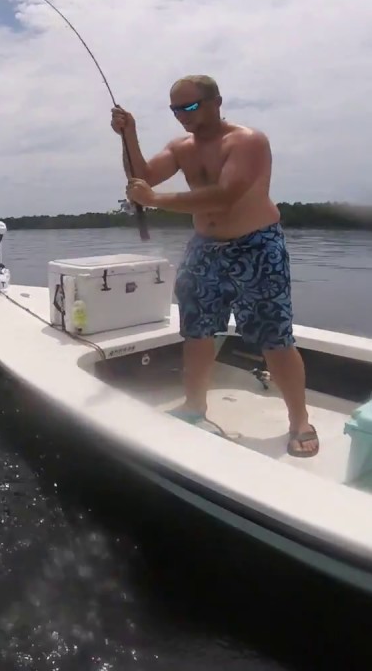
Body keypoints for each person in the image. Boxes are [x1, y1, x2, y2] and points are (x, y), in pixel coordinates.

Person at [111, 74, 318, 457]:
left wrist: (155, 200)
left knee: (275, 338)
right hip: (205, 249)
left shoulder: (247, 141)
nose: (182, 115)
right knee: (197, 332)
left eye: (189, 106)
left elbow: (225, 195)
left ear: (216, 102)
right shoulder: (181, 147)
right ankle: (194, 406)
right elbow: (144, 176)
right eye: (175, 109)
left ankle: (300, 420)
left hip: (256, 246)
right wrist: (129, 135)